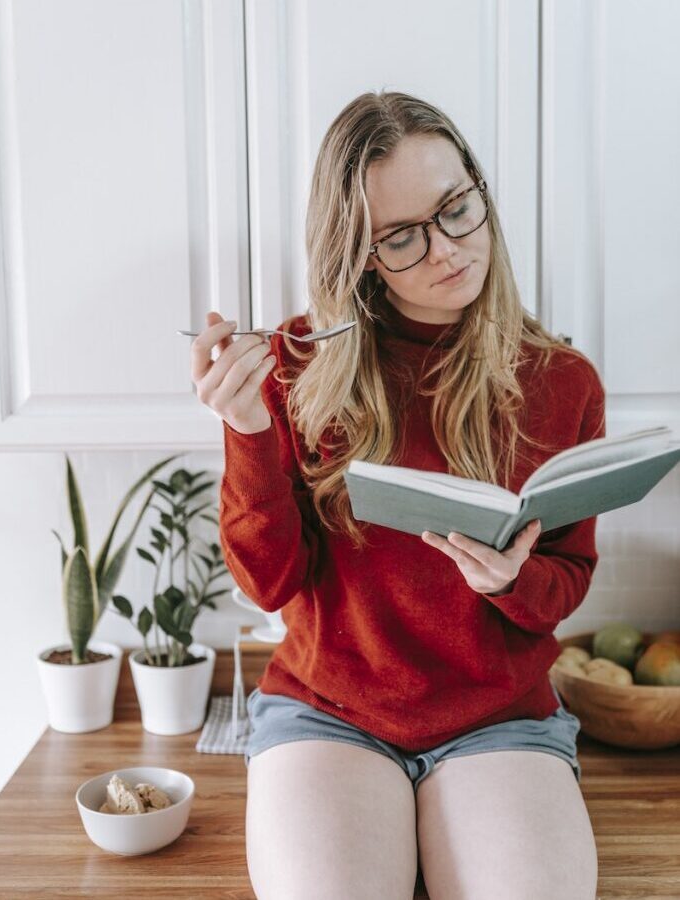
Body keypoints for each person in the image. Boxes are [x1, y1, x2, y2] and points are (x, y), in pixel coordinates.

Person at [191, 91, 602, 900]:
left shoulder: (561, 382)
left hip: (502, 717)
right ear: (358, 255)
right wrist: (246, 430)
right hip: (327, 709)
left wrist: (510, 581)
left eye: (455, 208)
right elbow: (267, 583)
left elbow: (566, 583)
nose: (447, 249)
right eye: (401, 237)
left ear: (478, 189)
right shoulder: (293, 365)